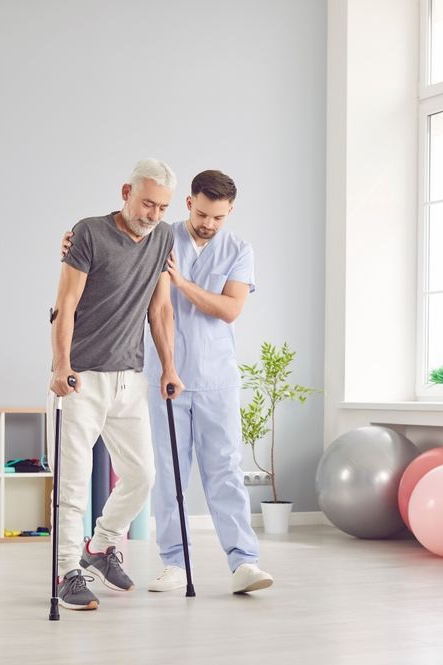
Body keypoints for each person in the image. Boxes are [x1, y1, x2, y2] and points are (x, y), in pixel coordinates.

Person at [61, 169, 273, 594]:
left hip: (215, 378)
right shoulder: (162, 234)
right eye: (203, 213)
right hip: (160, 378)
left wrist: (182, 283)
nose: (209, 224)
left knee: (224, 472)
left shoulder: (237, 250)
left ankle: (243, 562)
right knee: (167, 475)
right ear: (189, 202)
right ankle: (173, 562)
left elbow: (231, 309)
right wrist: (72, 245)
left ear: (229, 213)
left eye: (220, 217)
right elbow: (110, 245)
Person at [49, 158, 184, 612]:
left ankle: (100, 547)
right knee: (74, 482)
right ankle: (67, 571)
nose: (153, 214)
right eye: (147, 203)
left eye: (162, 207)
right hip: (82, 377)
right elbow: (65, 304)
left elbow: (160, 311)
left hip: (130, 378)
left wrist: (169, 368)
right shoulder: (88, 233)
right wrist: (60, 364)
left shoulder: (162, 238)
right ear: (125, 192)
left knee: (143, 474)